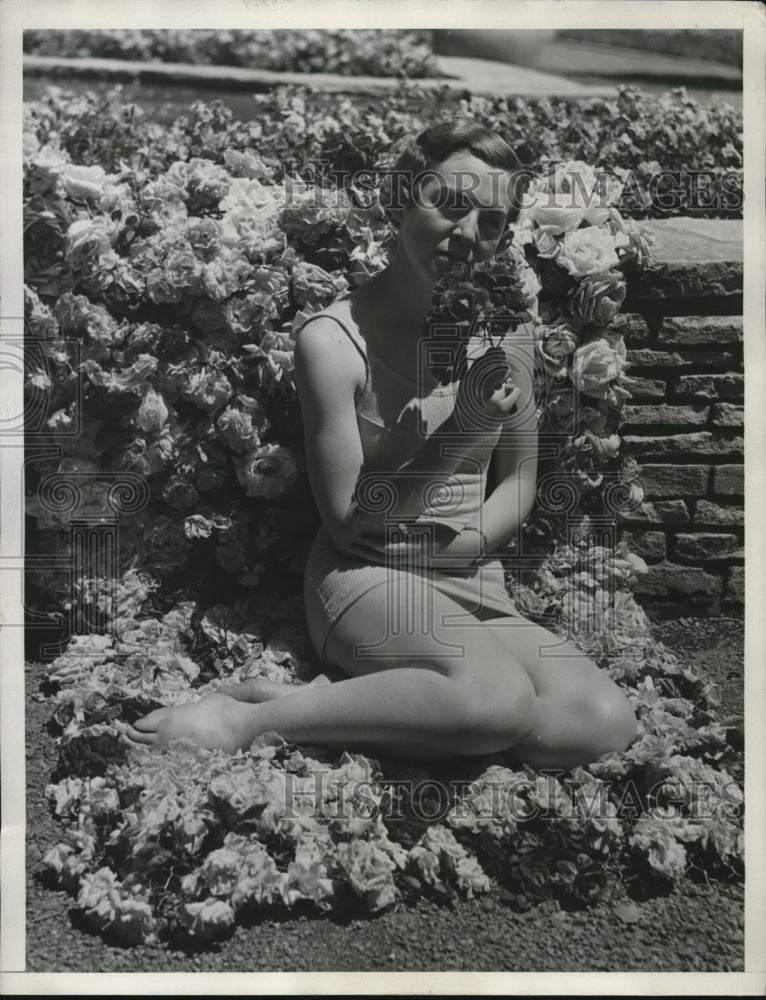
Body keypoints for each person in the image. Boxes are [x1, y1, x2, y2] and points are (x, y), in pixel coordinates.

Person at [128, 119, 637, 767]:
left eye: (489, 222)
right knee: (498, 704)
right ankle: (245, 718)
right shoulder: (334, 343)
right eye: (449, 205)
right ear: (402, 196)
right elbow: (348, 521)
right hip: (367, 573)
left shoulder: (507, 336)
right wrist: (458, 434)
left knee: (596, 722)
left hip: (465, 570)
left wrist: (471, 541)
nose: (466, 233)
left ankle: (358, 700)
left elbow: (520, 481)